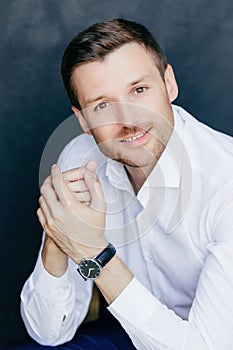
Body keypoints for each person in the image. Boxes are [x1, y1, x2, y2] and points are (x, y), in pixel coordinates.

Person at [19, 19, 233, 350]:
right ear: (83, 120)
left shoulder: (225, 184)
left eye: (139, 90)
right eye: (102, 105)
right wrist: (57, 237)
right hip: (128, 330)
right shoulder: (78, 158)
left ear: (169, 84)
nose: (128, 120)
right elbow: (49, 332)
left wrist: (94, 253)